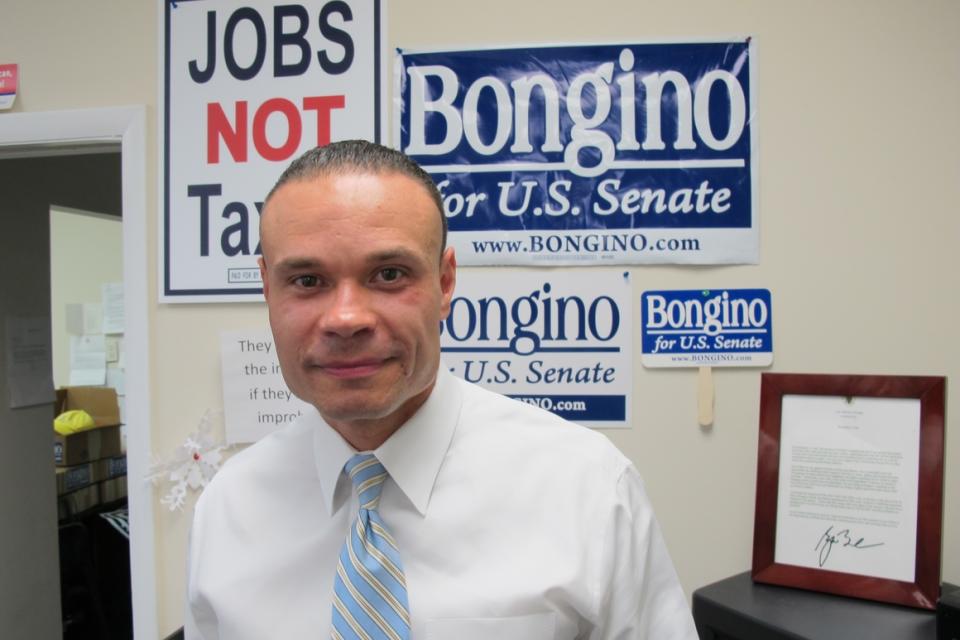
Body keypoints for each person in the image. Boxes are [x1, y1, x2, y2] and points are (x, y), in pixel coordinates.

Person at [185, 140, 698, 639]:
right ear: (266, 288)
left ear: (445, 282)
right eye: (307, 281)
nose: (345, 319)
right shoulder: (228, 507)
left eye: (388, 274)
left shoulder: (587, 489)